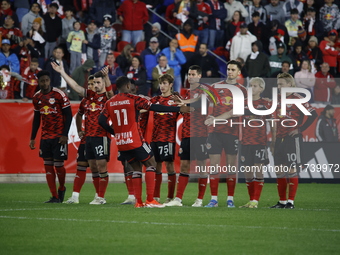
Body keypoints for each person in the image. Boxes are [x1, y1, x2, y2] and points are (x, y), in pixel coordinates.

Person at [98, 76, 191, 208]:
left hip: (121, 143)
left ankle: (138, 202)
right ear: (129, 86)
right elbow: (155, 107)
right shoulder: (134, 99)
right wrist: (178, 109)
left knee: (136, 168)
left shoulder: (110, 102)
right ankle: (150, 200)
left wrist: (115, 132)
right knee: (151, 164)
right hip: (135, 141)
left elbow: (101, 121)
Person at [52, 62, 114, 205]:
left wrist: (107, 77)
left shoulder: (107, 98)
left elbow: (111, 92)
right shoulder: (89, 97)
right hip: (88, 138)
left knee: (101, 166)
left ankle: (101, 197)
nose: (96, 85)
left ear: (103, 83)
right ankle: (79, 197)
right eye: (94, 83)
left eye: (98, 82)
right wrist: (62, 72)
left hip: (102, 137)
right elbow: (75, 87)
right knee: (92, 167)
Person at [206, 77, 271, 208]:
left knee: (258, 171)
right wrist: (215, 119)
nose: (252, 88)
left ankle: (255, 201)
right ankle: (251, 200)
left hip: (259, 142)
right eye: (250, 85)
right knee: (248, 173)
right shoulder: (244, 102)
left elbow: (274, 120)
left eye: (255, 86)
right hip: (245, 141)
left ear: (261, 89)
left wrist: (274, 139)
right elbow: (230, 113)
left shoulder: (267, 103)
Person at [162, 65, 209, 207]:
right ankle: (178, 199)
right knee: (184, 166)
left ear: (199, 76)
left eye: (193, 74)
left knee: (201, 167)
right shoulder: (188, 93)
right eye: (189, 74)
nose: (190, 77)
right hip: (187, 134)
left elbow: (200, 107)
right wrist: (181, 105)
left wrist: (183, 105)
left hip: (200, 134)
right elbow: (186, 110)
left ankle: (199, 199)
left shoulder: (204, 91)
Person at [203, 60, 247, 208]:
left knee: (231, 167)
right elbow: (208, 106)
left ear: (238, 72)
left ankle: (230, 199)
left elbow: (237, 112)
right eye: (228, 69)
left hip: (231, 132)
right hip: (215, 132)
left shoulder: (242, 90)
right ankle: (213, 199)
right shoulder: (215, 87)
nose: (230, 72)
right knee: (214, 166)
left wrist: (216, 118)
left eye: (233, 69)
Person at [270, 73, 317, 209]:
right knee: (279, 170)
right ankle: (282, 201)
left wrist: (300, 129)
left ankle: (291, 202)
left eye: (281, 84)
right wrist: (273, 140)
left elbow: (313, 114)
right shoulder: (277, 100)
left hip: (292, 139)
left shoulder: (298, 98)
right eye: (278, 84)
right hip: (279, 139)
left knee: (291, 169)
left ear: (290, 84)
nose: (279, 87)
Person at [29, 70, 72, 203]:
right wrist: (32, 137)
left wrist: (65, 134)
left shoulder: (59, 94)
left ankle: (62, 188)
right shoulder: (37, 97)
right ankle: (54, 196)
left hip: (59, 136)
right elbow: (37, 119)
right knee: (48, 166)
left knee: (59, 165)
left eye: (47, 80)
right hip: (45, 137)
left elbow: (69, 115)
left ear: (50, 81)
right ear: (39, 82)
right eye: (42, 81)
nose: (45, 83)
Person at [64, 76, 99, 204]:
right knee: (81, 165)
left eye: (93, 84)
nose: (91, 86)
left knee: (96, 167)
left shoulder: (103, 97)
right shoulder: (85, 101)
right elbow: (79, 115)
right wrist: (79, 130)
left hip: (99, 138)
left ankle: (99, 196)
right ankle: (74, 196)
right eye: (89, 84)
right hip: (86, 138)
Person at [149, 74, 179, 202]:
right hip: (155, 137)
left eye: (165, 83)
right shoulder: (155, 100)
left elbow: (186, 111)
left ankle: (170, 197)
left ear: (171, 85)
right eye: (161, 83)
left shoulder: (176, 100)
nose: (162, 86)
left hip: (168, 137)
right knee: (156, 166)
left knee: (170, 166)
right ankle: (155, 196)